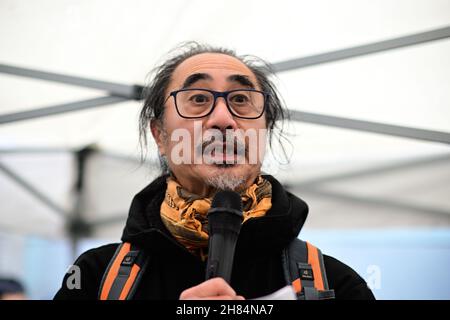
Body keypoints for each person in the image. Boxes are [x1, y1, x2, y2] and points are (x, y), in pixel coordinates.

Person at [54, 42, 375, 300]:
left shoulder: (335, 285)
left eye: (240, 99)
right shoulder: (94, 280)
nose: (223, 119)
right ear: (160, 135)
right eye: (197, 98)